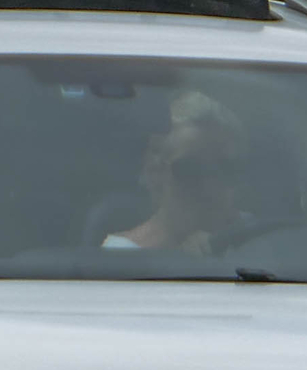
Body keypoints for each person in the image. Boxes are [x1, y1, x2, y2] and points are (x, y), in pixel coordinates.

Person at [103, 90, 255, 255]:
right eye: (190, 169)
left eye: (226, 169)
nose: (209, 185)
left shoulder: (260, 238)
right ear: (156, 172)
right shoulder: (122, 256)